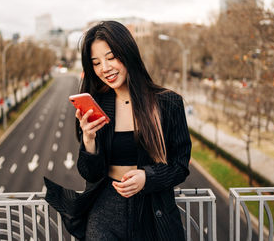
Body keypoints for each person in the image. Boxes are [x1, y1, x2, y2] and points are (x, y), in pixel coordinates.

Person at [44, 20, 191, 240]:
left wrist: (146, 178)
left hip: (152, 211)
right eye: (96, 63)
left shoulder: (168, 103)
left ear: (128, 53)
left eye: (111, 57)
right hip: (105, 212)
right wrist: (89, 140)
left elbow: (180, 166)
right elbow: (89, 173)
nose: (105, 68)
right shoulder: (96, 105)